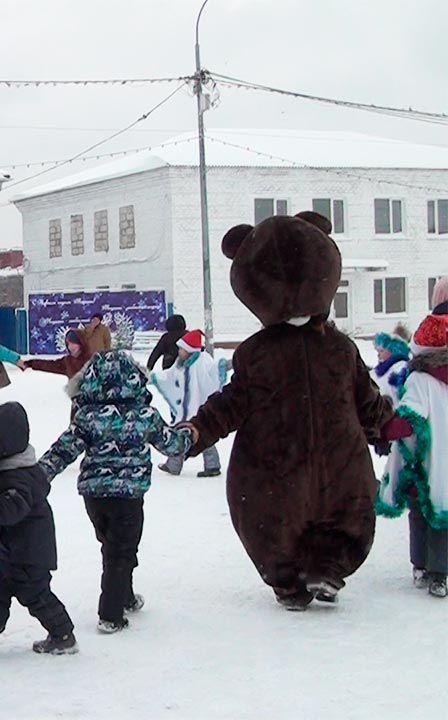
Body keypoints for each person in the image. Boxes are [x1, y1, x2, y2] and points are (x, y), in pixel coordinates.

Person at [184, 212, 406, 610]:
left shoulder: (337, 349)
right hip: (296, 463)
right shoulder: (263, 354)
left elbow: (364, 395)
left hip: (294, 465)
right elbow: (232, 402)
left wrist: (386, 423)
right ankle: (291, 581)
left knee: (328, 514)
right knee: (277, 520)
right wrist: (199, 429)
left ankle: (324, 568)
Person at [37, 350, 193, 634]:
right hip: (129, 495)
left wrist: (38, 475)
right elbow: (172, 445)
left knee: (113, 546)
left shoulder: (87, 416)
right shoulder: (145, 415)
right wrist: (189, 435)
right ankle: (111, 613)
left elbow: (63, 450)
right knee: (121, 550)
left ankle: (126, 596)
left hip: (95, 497)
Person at [0, 402, 77, 658]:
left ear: (4, 443)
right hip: (11, 551)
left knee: (36, 594)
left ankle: (62, 634)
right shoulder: (8, 470)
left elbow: (13, 508)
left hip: (29, 552)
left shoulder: (19, 476)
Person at [376, 311, 448, 598]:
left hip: (424, 462)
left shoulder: (420, 379)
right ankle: (441, 572)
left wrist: (381, 428)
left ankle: (422, 566)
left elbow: (409, 419)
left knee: (420, 512)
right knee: (443, 514)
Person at [151, 330, 227, 477]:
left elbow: (214, 370)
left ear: (190, 349)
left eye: (181, 348)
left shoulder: (203, 361)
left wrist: (225, 365)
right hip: (184, 410)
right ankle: (173, 465)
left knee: (204, 437)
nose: (179, 351)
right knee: (179, 437)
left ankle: (212, 465)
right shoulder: (180, 364)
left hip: (199, 408)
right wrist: (153, 377)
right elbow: (168, 376)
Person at [25, 329, 91, 380]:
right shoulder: (68, 361)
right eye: (68, 344)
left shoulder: (93, 359)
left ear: (81, 343)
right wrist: (30, 363)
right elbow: (49, 365)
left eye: (73, 343)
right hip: (77, 396)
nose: (70, 347)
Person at [371, 324, 412, 404]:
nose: (378, 355)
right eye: (378, 351)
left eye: (382, 351)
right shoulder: (382, 369)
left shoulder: (400, 368)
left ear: (394, 350)